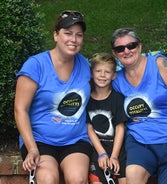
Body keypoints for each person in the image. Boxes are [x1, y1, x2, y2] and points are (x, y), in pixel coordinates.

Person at [15, 10, 91, 184]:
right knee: (48, 179)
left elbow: (107, 81)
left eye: (79, 35)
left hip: (75, 139)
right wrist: (32, 148)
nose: (74, 39)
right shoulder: (36, 65)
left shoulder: (85, 65)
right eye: (68, 33)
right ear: (56, 35)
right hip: (39, 140)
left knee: (78, 179)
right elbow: (20, 109)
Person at [110, 28, 167, 183]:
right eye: (120, 48)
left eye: (131, 45)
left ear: (140, 46)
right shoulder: (117, 80)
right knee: (133, 177)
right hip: (140, 141)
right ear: (115, 53)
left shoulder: (159, 64)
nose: (127, 51)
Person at [86, 53, 128, 184]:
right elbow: (89, 128)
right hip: (97, 148)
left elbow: (120, 127)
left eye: (107, 72)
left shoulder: (118, 98)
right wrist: (102, 153)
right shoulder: (86, 98)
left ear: (114, 75)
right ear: (92, 74)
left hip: (118, 148)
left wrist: (114, 156)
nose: (102, 75)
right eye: (98, 71)